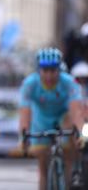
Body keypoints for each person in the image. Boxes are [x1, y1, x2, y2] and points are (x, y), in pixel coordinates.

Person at [19, 47, 86, 190]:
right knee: (43, 168)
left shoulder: (69, 82)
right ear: (39, 70)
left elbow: (75, 111)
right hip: (41, 121)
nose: (49, 75)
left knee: (69, 152)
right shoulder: (29, 84)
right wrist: (24, 136)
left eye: (53, 70)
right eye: (45, 70)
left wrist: (80, 132)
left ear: (59, 70)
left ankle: (69, 179)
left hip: (63, 117)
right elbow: (25, 112)